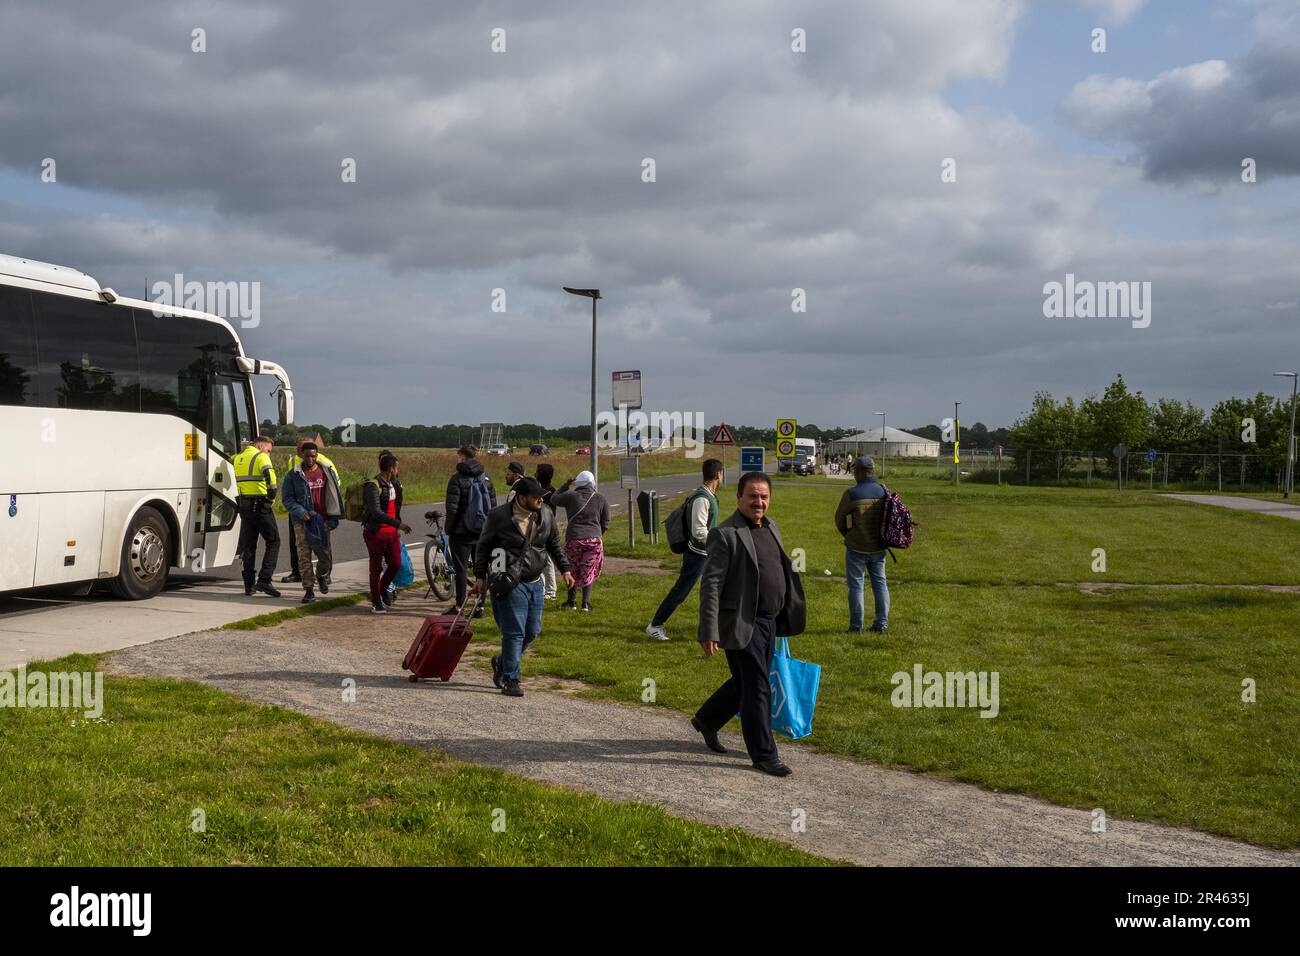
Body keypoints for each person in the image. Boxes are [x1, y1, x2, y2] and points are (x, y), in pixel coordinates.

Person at [692, 471, 806, 777]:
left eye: (764, 496)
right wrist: (709, 630)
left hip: (770, 621)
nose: (759, 502)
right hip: (742, 622)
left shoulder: (771, 527)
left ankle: (707, 719)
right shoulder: (725, 533)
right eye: (752, 496)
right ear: (739, 497)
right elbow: (711, 585)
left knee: (746, 680)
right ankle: (764, 754)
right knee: (757, 686)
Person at [471, 476, 573, 698]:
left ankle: (502, 661)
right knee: (514, 632)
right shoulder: (498, 516)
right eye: (536, 497)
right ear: (521, 497)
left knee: (533, 631)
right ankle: (511, 679)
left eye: (542, 497)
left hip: (536, 581)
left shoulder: (546, 513)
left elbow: (553, 543)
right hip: (510, 582)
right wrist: (480, 576)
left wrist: (564, 569)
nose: (540, 500)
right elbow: (484, 546)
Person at [645, 458, 722, 640]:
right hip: (697, 554)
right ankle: (655, 624)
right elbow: (698, 531)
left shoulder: (707, 496)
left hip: (707, 553)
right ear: (719, 474)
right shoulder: (702, 499)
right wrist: (719, 539)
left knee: (718, 588)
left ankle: (718, 626)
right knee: (681, 591)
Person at [835, 455, 890, 633]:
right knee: (880, 585)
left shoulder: (852, 493)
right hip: (879, 547)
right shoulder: (883, 491)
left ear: (857, 472)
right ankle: (881, 624)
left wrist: (849, 534)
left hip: (856, 548)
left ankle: (856, 626)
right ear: (872, 471)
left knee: (856, 587)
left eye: (854, 471)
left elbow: (839, 519)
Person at [281, 442, 343, 603]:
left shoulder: (326, 471)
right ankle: (308, 590)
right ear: (301, 454)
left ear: (317, 455)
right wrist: (301, 512)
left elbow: (334, 494)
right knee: (304, 556)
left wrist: (333, 517)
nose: (310, 459)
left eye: (313, 455)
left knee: (325, 557)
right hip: (302, 521)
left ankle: (322, 576)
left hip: (322, 521)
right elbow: (287, 499)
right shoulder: (293, 475)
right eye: (307, 455)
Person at [444, 444, 496, 616]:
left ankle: (459, 606)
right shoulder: (486, 478)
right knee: (481, 569)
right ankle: (480, 606)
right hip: (482, 532)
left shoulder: (457, 479)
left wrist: (449, 529)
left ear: (463, 457)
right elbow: (493, 507)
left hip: (461, 532)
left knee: (461, 569)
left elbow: (452, 509)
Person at [551, 470, 611, 611]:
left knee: (571, 569)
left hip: (574, 539)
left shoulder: (571, 495)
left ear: (578, 482)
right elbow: (606, 521)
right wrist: (598, 533)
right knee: (587, 570)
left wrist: (566, 484)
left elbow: (554, 498)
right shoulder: (600, 498)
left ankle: (571, 602)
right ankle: (585, 603)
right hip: (593, 541)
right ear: (592, 483)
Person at [361, 450, 411, 614]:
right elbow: (376, 512)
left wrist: (396, 525)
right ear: (391, 469)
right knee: (375, 569)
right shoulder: (372, 486)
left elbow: (395, 507)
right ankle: (376, 602)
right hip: (376, 533)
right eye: (396, 468)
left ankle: (383, 589)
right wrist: (399, 524)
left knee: (396, 563)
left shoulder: (394, 484)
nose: (398, 471)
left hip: (391, 533)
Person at [233, 434, 281, 597]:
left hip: (244, 506)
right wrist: (270, 500)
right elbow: (272, 483)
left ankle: (249, 585)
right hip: (261, 505)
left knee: (249, 545)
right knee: (273, 541)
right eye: (268, 450)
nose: (268, 453)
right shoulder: (261, 457)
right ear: (261, 446)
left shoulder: (238, 458)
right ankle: (265, 580)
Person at [535, 463, 559, 600]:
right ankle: (543, 588)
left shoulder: (548, 491)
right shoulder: (543, 489)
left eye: (537, 471)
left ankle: (551, 590)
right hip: (540, 528)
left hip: (545, 529)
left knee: (547, 560)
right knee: (539, 559)